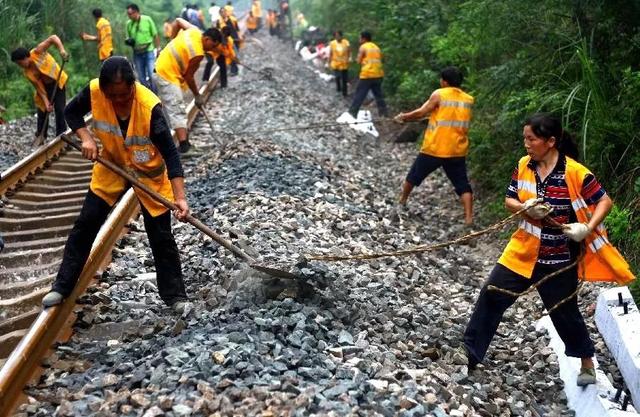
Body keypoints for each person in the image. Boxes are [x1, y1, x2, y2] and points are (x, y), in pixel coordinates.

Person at [460, 113, 635, 386]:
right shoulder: (524, 165)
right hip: (523, 251)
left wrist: (587, 228)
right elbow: (509, 199)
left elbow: (605, 201)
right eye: (524, 139)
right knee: (492, 294)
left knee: (564, 312)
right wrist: (525, 207)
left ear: (550, 141)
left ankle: (586, 362)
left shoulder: (575, 172)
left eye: (531, 139)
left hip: (558, 259)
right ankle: (469, 353)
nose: (526, 144)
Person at [41, 57, 191, 313]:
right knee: (86, 223)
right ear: (103, 89)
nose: (119, 100)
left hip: (148, 175)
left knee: (161, 235)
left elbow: (171, 155)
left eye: (124, 95)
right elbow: (71, 112)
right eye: (113, 96)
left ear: (133, 86)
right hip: (111, 167)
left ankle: (175, 296)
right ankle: (62, 286)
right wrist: (86, 138)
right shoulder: (94, 91)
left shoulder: (149, 107)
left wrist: (180, 198)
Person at [395, 66, 474, 225]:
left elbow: (422, 112)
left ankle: (402, 201)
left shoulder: (439, 94)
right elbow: (450, 116)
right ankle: (468, 218)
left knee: (414, 175)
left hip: (435, 147)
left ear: (444, 81)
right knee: (462, 184)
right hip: (456, 150)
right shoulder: (468, 99)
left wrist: (403, 117)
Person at [154, 18, 223, 153]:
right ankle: (184, 147)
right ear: (207, 39)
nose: (212, 49)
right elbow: (189, 77)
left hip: (163, 66)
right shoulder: (198, 54)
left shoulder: (194, 30)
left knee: (175, 106)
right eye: (213, 46)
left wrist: (172, 40)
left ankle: (185, 142)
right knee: (177, 108)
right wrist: (197, 95)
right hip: (166, 73)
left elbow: (178, 21)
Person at [11, 36, 69, 144]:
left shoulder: (38, 51)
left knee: (60, 109)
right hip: (46, 89)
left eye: (20, 63)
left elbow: (53, 38)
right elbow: (39, 88)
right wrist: (47, 103)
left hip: (58, 82)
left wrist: (62, 50)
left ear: (25, 58)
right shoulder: (27, 72)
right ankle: (41, 135)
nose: (20, 66)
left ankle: (61, 134)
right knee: (42, 109)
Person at [347, 31, 387, 118]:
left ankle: (352, 113)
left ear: (364, 39)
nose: (359, 40)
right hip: (378, 74)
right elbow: (382, 60)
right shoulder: (376, 47)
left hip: (367, 74)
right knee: (378, 95)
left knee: (360, 93)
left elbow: (358, 61)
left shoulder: (363, 47)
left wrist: (355, 59)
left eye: (360, 38)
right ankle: (384, 114)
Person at [125, 3, 160, 91]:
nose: (129, 16)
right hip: (137, 53)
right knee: (141, 77)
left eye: (130, 14)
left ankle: (155, 95)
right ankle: (147, 94)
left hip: (148, 50)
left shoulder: (147, 19)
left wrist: (158, 48)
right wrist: (129, 41)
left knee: (152, 75)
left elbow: (155, 34)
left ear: (136, 12)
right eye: (128, 14)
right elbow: (127, 37)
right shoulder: (129, 24)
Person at [329, 31, 350, 97]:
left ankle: (345, 93)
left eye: (339, 35)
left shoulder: (346, 42)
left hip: (344, 64)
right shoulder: (332, 43)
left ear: (341, 36)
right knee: (337, 77)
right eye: (336, 36)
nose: (337, 37)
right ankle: (338, 90)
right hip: (336, 64)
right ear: (334, 36)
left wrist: (350, 57)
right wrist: (328, 62)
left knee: (344, 79)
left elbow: (349, 51)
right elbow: (331, 53)